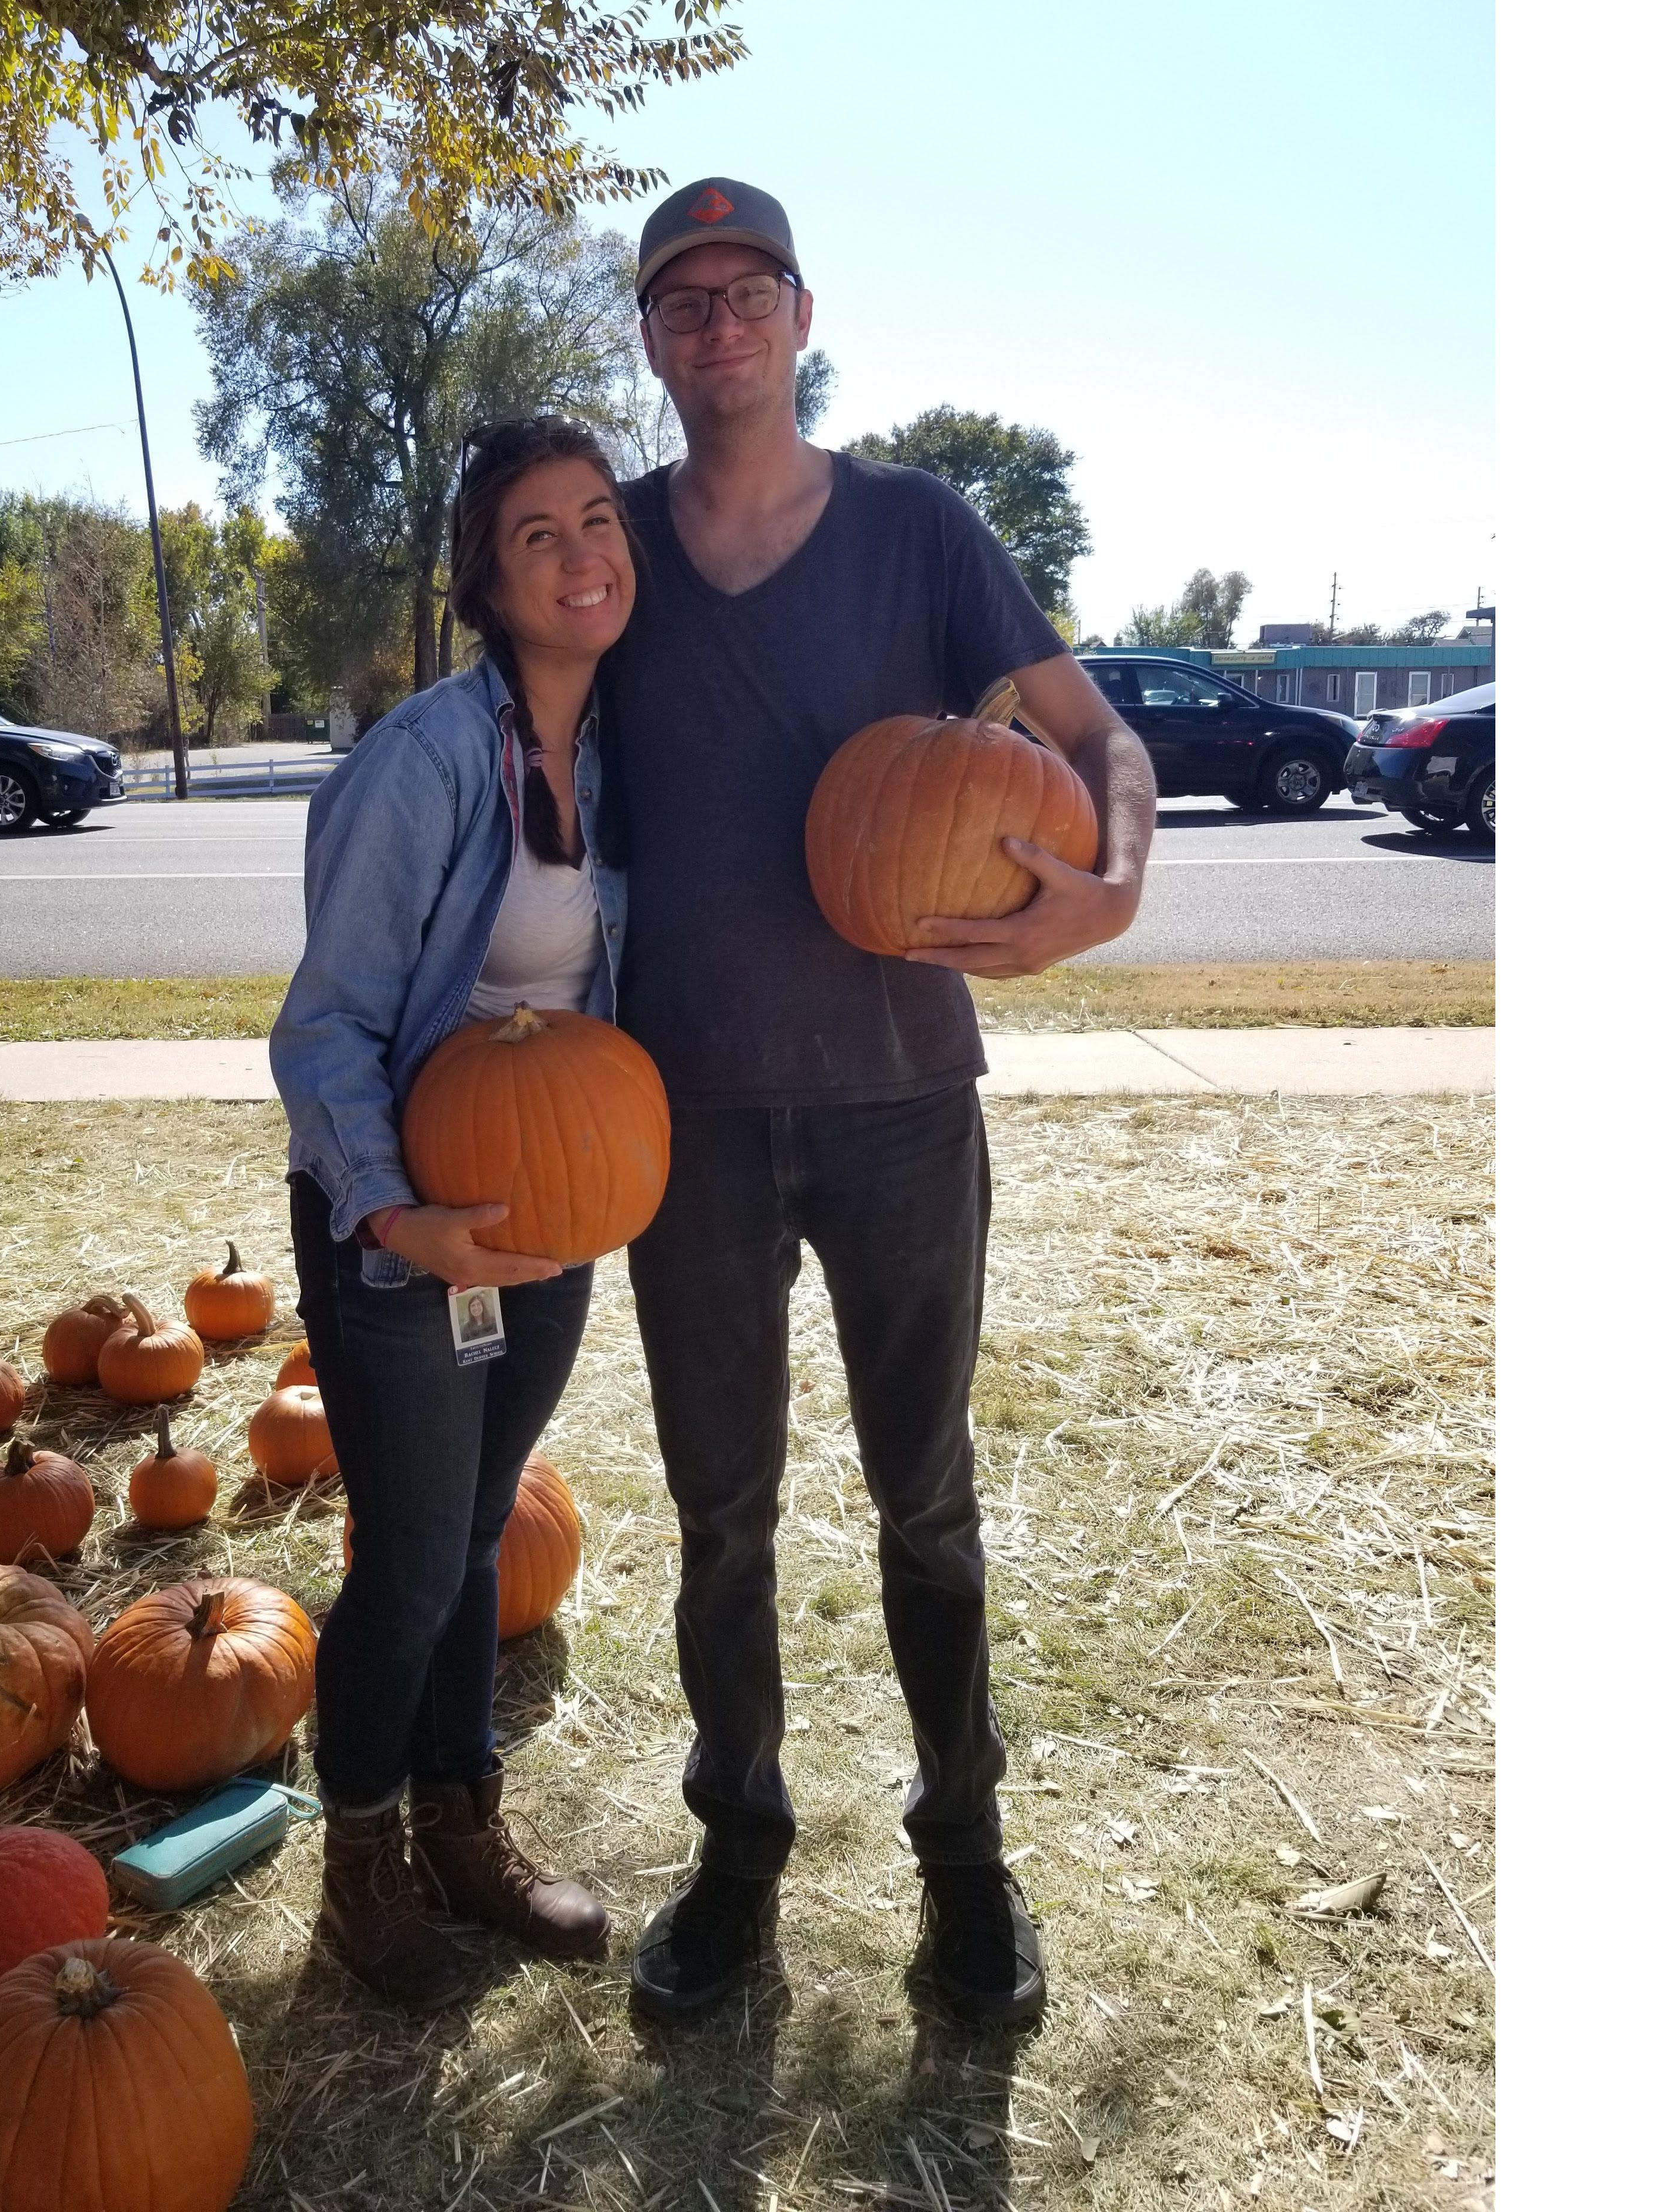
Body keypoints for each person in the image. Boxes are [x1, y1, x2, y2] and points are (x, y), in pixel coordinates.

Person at [604, 178, 1159, 2026]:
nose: (718, 326)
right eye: (681, 303)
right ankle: (736, 1856)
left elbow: (1098, 740)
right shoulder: (611, 553)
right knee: (721, 1513)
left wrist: (1119, 881)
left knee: (927, 1503)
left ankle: (970, 1867)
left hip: (904, 1102)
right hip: (680, 1121)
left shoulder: (921, 532)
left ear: (802, 312)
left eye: (746, 291)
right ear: (654, 341)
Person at [270, 415, 637, 2010]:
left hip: (546, 1208)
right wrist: (399, 1224)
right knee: (414, 1559)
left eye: (599, 519)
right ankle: (361, 1868)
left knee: (483, 1539)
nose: (581, 554)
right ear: (488, 581)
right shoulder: (424, 762)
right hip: (402, 1221)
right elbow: (327, 1026)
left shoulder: (630, 746)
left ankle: (461, 1827)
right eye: (537, 533)